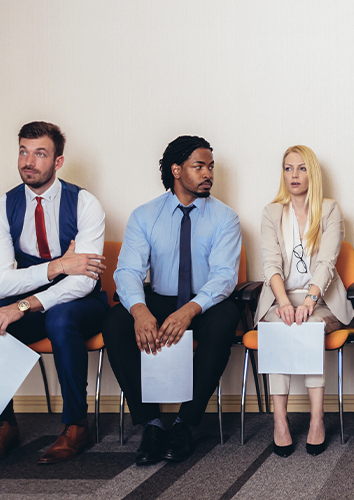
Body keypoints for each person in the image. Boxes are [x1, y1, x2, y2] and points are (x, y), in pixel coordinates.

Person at [0, 121, 108, 465]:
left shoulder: (85, 203)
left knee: (60, 320)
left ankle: (76, 424)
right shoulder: (1, 208)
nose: (28, 161)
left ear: (58, 162)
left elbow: (84, 280)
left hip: (81, 303)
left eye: (39, 153)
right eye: (23, 152)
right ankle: (4, 424)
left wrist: (27, 302)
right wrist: (58, 265)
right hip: (31, 298)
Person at [104, 135, 242, 466]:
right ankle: (150, 424)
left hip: (202, 303)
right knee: (115, 323)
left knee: (226, 320)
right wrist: (139, 311)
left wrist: (189, 311)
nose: (208, 173)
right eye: (199, 166)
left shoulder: (225, 218)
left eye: (211, 166)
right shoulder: (144, 215)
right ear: (177, 170)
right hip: (158, 299)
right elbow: (127, 272)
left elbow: (224, 277)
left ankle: (184, 424)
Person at [253, 145, 354, 457]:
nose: (294, 175)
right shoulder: (271, 213)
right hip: (279, 300)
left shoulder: (329, 209)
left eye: (301, 168)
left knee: (307, 327)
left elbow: (327, 261)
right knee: (282, 328)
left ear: (312, 172)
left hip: (321, 302)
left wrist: (309, 302)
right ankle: (280, 420)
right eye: (288, 168)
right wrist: (284, 303)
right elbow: (270, 265)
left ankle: (316, 418)